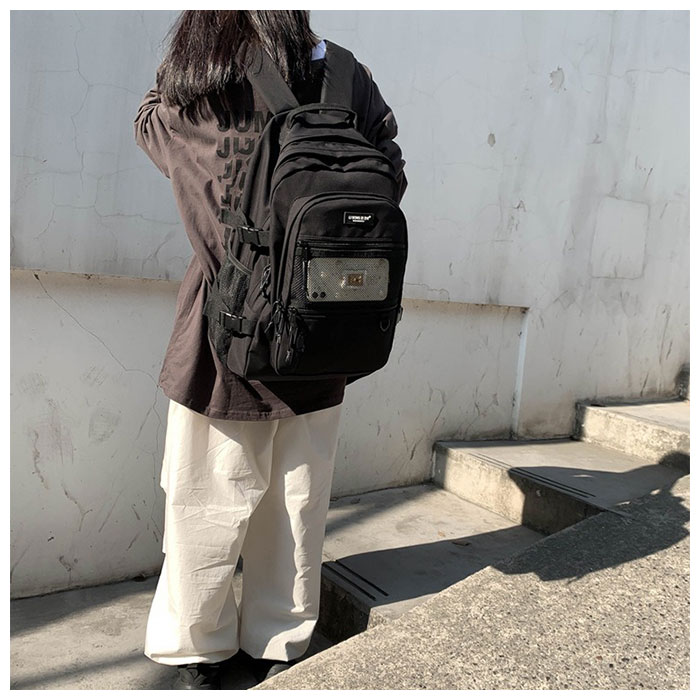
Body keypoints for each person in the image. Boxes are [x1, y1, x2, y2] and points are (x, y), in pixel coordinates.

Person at [133, 9, 407, 690]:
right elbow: (390, 175)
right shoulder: (348, 75)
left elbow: (156, 132)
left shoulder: (203, 71)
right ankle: (279, 642)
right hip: (324, 325)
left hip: (226, 328)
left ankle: (200, 650)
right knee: (297, 503)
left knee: (206, 500)